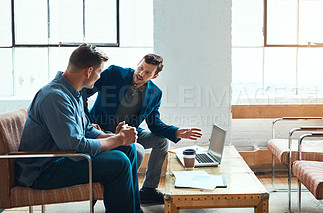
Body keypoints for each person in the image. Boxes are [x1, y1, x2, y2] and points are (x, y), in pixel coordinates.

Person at [16, 44, 142, 213]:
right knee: (118, 162)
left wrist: (114, 137)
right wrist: (118, 139)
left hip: (60, 158)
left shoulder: (71, 93)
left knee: (128, 149)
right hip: (43, 170)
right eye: (99, 72)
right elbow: (75, 148)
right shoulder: (54, 97)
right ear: (89, 71)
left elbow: (86, 130)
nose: (99, 77)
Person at [82, 53, 202, 204]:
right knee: (137, 149)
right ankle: (123, 192)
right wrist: (88, 123)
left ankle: (148, 190)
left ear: (155, 76)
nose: (140, 73)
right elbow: (83, 94)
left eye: (147, 72)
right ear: (138, 63)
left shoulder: (155, 93)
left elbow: (154, 123)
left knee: (162, 141)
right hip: (101, 133)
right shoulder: (115, 73)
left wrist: (176, 131)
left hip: (128, 134)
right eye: (141, 67)